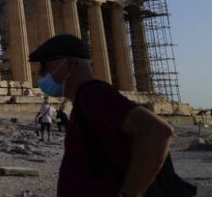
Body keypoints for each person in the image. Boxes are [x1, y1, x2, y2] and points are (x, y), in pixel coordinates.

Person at [29, 34, 186, 197]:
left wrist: (129, 194)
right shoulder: (84, 100)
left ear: (70, 63)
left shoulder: (94, 94)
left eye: (45, 65)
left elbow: (158, 130)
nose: (40, 72)